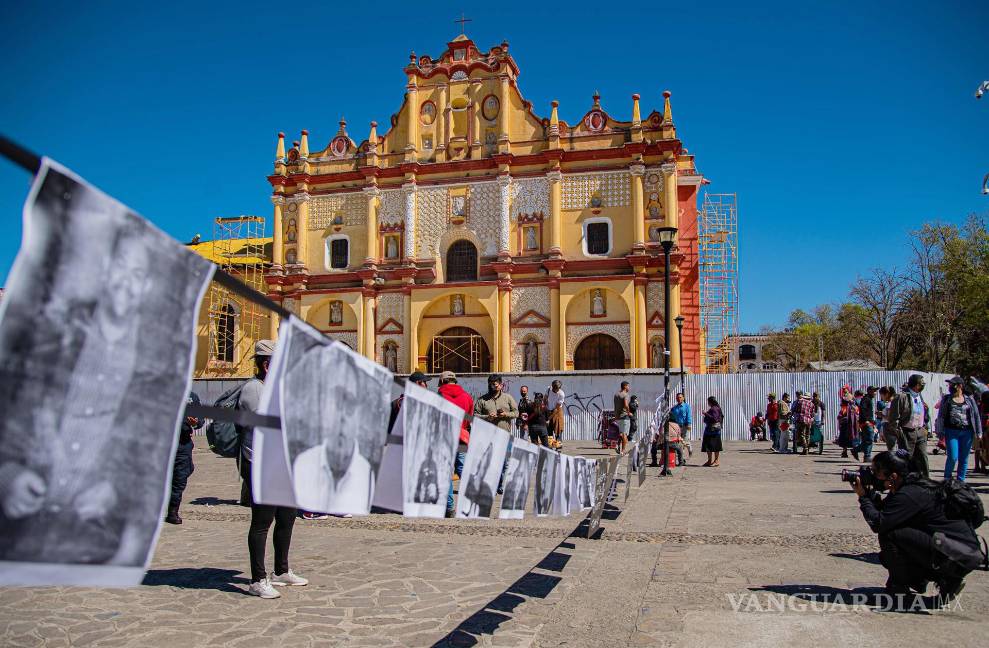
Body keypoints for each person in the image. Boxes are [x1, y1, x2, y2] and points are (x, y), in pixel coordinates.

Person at [853, 450, 981, 600]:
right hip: (960, 550)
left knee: (890, 534)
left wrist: (863, 498)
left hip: (957, 555)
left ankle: (905, 587)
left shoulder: (909, 493)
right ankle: (918, 579)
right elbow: (887, 511)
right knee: (895, 536)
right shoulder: (909, 486)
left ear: (893, 476)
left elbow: (879, 523)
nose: (873, 476)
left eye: (876, 472)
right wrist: (869, 495)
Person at [240, 340, 307, 599]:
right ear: (267, 366)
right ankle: (258, 579)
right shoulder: (254, 390)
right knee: (262, 522)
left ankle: (281, 570)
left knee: (287, 517)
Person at [438, 371, 474, 518]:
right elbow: (470, 417)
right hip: (462, 436)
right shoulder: (467, 396)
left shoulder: (439, 396)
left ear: (442, 382)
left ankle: (450, 508)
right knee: (463, 469)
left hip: (444, 437)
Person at [935, 376, 983, 482]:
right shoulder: (947, 399)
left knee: (964, 459)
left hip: (967, 432)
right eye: (950, 385)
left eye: (953, 385)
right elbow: (941, 416)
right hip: (951, 432)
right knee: (953, 457)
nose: (950, 387)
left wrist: (979, 432)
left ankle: (961, 482)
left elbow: (976, 415)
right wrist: (939, 432)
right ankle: (947, 480)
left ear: (960, 386)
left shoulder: (969, 399)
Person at [166, 391, 203, 525]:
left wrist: (196, 422)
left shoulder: (191, 397)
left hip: (183, 443)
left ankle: (172, 512)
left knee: (180, 478)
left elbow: (200, 421)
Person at [887, 374, 931, 478]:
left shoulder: (919, 396)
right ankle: (904, 481)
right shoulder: (902, 397)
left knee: (922, 457)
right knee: (906, 458)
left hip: (920, 431)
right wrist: (899, 432)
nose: (923, 386)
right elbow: (893, 417)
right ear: (915, 385)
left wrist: (925, 427)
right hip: (907, 432)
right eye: (921, 384)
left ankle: (925, 481)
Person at [461, 444, 495, 517]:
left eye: (485, 464)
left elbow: (484, 513)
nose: (482, 464)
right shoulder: (469, 479)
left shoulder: (487, 489)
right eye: (482, 461)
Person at [856, 386, 879, 462]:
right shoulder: (866, 399)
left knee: (867, 439)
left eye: (875, 391)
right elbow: (863, 410)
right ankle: (867, 456)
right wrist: (866, 420)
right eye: (873, 391)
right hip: (866, 422)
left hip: (869, 422)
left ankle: (857, 450)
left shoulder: (869, 399)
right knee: (869, 439)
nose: (875, 393)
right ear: (869, 391)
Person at [837, 386, 860, 460]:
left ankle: (851, 450)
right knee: (847, 435)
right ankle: (846, 451)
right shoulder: (848, 400)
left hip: (849, 419)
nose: (844, 390)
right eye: (843, 389)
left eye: (845, 389)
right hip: (848, 419)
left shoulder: (848, 399)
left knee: (849, 435)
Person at [701, 396, 724, 467]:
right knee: (712, 446)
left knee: (712, 446)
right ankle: (710, 460)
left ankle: (715, 460)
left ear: (710, 402)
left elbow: (715, 419)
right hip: (713, 430)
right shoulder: (717, 408)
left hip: (712, 431)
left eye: (708, 402)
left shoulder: (714, 409)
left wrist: (705, 413)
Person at [546, 380, 565, 448]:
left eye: (557, 389)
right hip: (548, 410)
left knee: (558, 430)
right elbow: (545, 399)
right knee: (549, 430)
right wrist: (545, 411)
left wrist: (549, 419)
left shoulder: (561, 394)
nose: (555, 391)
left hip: (557, 412)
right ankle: (550, 446)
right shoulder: (549, 389)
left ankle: (558, 446)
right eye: (554, 389)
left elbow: (556, 409)